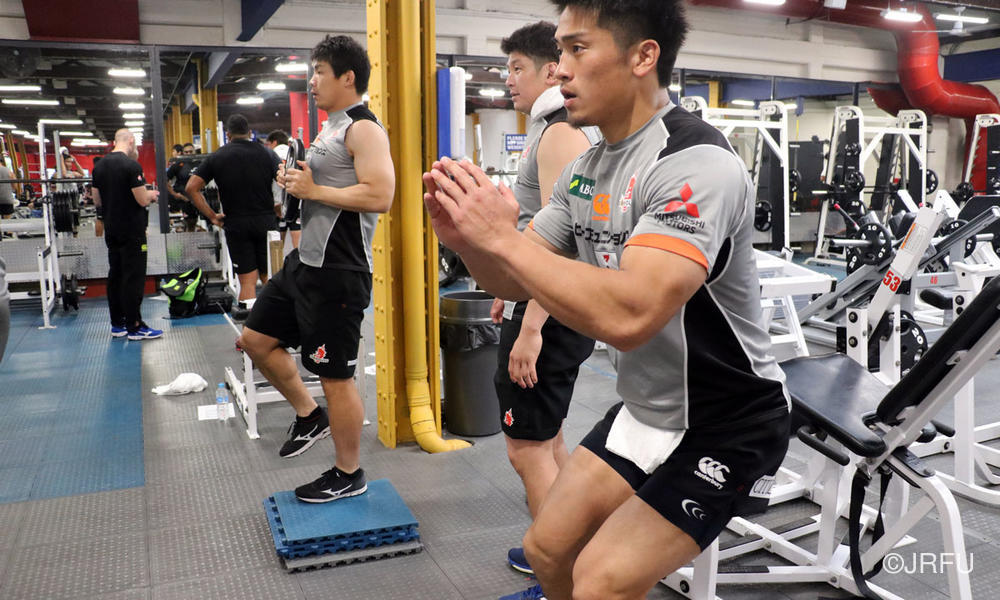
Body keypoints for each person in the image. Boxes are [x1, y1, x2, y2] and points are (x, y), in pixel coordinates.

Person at [423, 2, 791, 599]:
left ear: (643, 56)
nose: (560, 69)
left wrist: (501, 240)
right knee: (547, 550)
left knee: (599, 580)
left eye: (577, 49)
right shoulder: (587, 169)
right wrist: (469, 242)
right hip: (645, 409)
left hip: (727, 421)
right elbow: (513, 281)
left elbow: (630, 315)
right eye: (559, 52)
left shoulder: (694, 163)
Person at [238, 34, 394, 504]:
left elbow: (380, 195)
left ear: (347, 78)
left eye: (320, 72)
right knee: (254, 340)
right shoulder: (330, 127)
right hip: (304, 264)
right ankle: (310, 416)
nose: (312, 81)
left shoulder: (363, 129)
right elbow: (321, 185)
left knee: (335, 377)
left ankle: (349, 473)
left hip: (339, 271)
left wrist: (314, 191)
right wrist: (296, 181)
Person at [490, 20, 601, 576]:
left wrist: (531, 326)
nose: (509, 79)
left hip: (552, 312)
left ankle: (553, 569)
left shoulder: (559, 133)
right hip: (544, 301)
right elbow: (541, 227)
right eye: (507, 68)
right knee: (549, 439)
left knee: (527, 449)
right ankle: (570, 551)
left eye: (518, 68)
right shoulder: (551, 127)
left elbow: (567, 240)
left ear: (551, 70)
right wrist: (509, 292)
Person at [187, 116, 280, 303]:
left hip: (236, 223)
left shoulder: (217, 156)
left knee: (247, 283)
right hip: (266, 222)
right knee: (270, 279)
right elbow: (286, 180)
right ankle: (273, 321)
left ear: (228, 135)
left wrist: (212, 216)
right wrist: (280, 209)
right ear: (249, 133)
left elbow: (191, 188)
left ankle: (249, 323)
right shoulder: (268, 153)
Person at [92, 129, 162, 340]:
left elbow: (97, 200)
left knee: (116, 275)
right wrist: (151, 194)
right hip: (132, 231)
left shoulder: (99, 166)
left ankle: (118, 324)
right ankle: (135, 326)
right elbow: (142, 199)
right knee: (133, 277)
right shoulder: (131, 166)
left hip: (112, 229)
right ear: (131, 141)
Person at [265, 130, 301, 249]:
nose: (268, 146)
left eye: (268, 144)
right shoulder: (294, 152)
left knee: (277, 247)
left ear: (274, 142)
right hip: (296, 202)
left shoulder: (272, 155)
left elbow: (275, 182)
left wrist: (276, 204)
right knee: (297, 247)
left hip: (279, 205)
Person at [167, 143, 198, 231]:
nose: (188, 154)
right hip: (184, 199)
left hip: (198, 197)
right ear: (183, 153)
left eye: (191, 152)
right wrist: (175, 194)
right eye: (186, 152)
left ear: (194, 152)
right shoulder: (178, 165)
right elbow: (164, 180)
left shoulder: (200, 163)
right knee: (190, 223)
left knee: (195, 222)